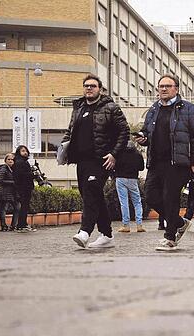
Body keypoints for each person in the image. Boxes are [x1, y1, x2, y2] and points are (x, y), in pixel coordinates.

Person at [136, 74, 194, 251]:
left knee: (170, 198)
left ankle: (170, 237)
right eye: (161, 86)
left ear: (176, 89)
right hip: (155, 161)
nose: (163, 89)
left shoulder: (189, 109)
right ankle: (179, 222)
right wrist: (143, 138)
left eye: (168, 86)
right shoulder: (153, 109)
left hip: (178, 162)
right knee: (150, 196)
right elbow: (147, 131)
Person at [61, 74, 129, 249]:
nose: (89, 88)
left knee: (92, 190)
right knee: (93, 196)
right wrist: (64, 149)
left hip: (101, 160)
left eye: (93, 86)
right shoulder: (79, 108)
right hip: (81, 160)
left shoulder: (111, 108)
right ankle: (107, 235)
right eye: (86, 86)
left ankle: (85, 231)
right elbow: (70, 131)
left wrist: (114, 154)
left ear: (100, 89)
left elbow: (124, 132)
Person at [114, 141, 145, 233]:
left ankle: (126, 225)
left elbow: (114, 165)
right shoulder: (138, 154)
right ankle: (139, 225)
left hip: (120, 179)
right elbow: (141, 168)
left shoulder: (120, 153)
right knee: (137, 202)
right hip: (133, 179)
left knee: (124, 202)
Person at [12, 145, 36, 232]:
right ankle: (21, 225)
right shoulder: (20, 162)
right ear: (19, 152)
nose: (25, 152)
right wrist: (32, 175)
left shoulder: (23, 161)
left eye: (26, 150)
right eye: (22, 151)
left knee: (25, 206)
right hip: (23, 188)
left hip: (25, 187)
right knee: (24, 206)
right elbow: (21, 175)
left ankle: (23, 224)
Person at [0, 153, 20, 231]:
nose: (11, 161)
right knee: (4, 208)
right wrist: (12, 182)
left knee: (17, 208)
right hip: (5, 192)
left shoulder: (14, 169)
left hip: (13, 193)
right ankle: (4, 226)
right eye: (8, 159)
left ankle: (13, 226)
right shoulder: (3, 169)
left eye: (12, 159)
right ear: (5, 161)